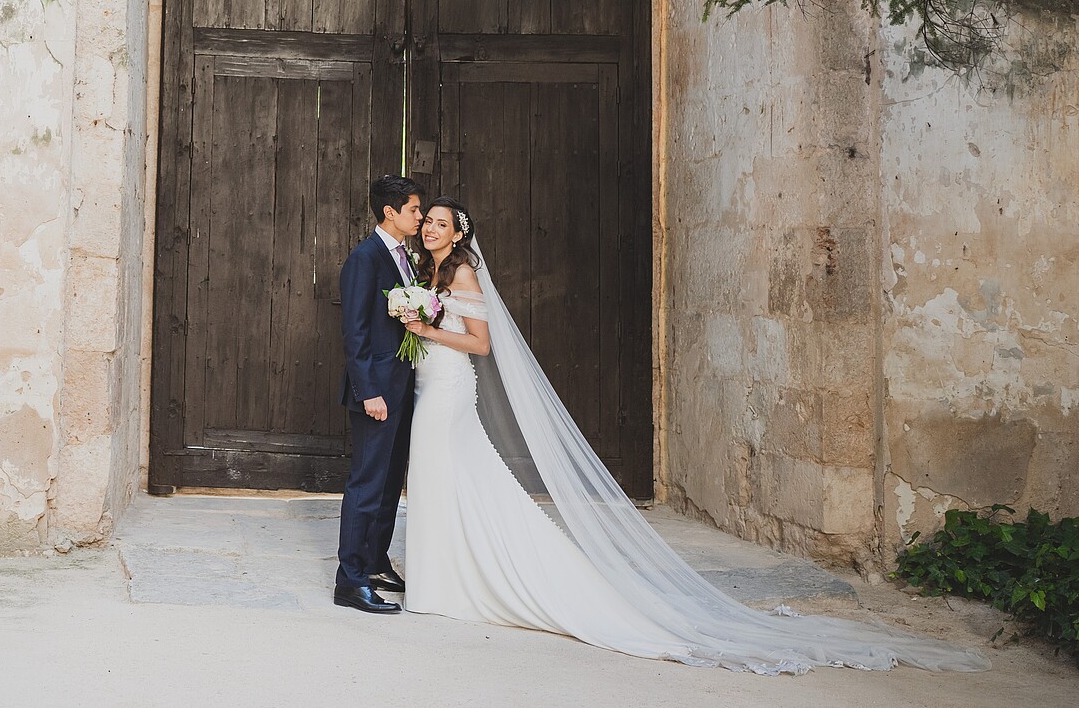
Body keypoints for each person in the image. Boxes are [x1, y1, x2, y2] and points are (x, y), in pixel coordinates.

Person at [388, 195, 988, 673]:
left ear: (459, 234)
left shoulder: (462, 275)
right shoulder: (426, 270)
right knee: (447, 481)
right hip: (429, 388)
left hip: (450, 389)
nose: (432, 229)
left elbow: (482, 345)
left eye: (440, 223)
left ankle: (466, 583)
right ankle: (445, 580)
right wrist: (417, 322)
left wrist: (425, 326)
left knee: (452, 473)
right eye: (429, 223)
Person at [332, 174, 424, 614]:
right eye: (414, 210)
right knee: (367, 485)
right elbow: (355, 333)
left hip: (403, 388)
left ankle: (374, 559)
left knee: (390, 484)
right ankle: (349, 581)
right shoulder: (364, 259)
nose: (420, 218)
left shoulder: (405, 257)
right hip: (376, 394)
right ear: (390, 212)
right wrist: (369, 391)